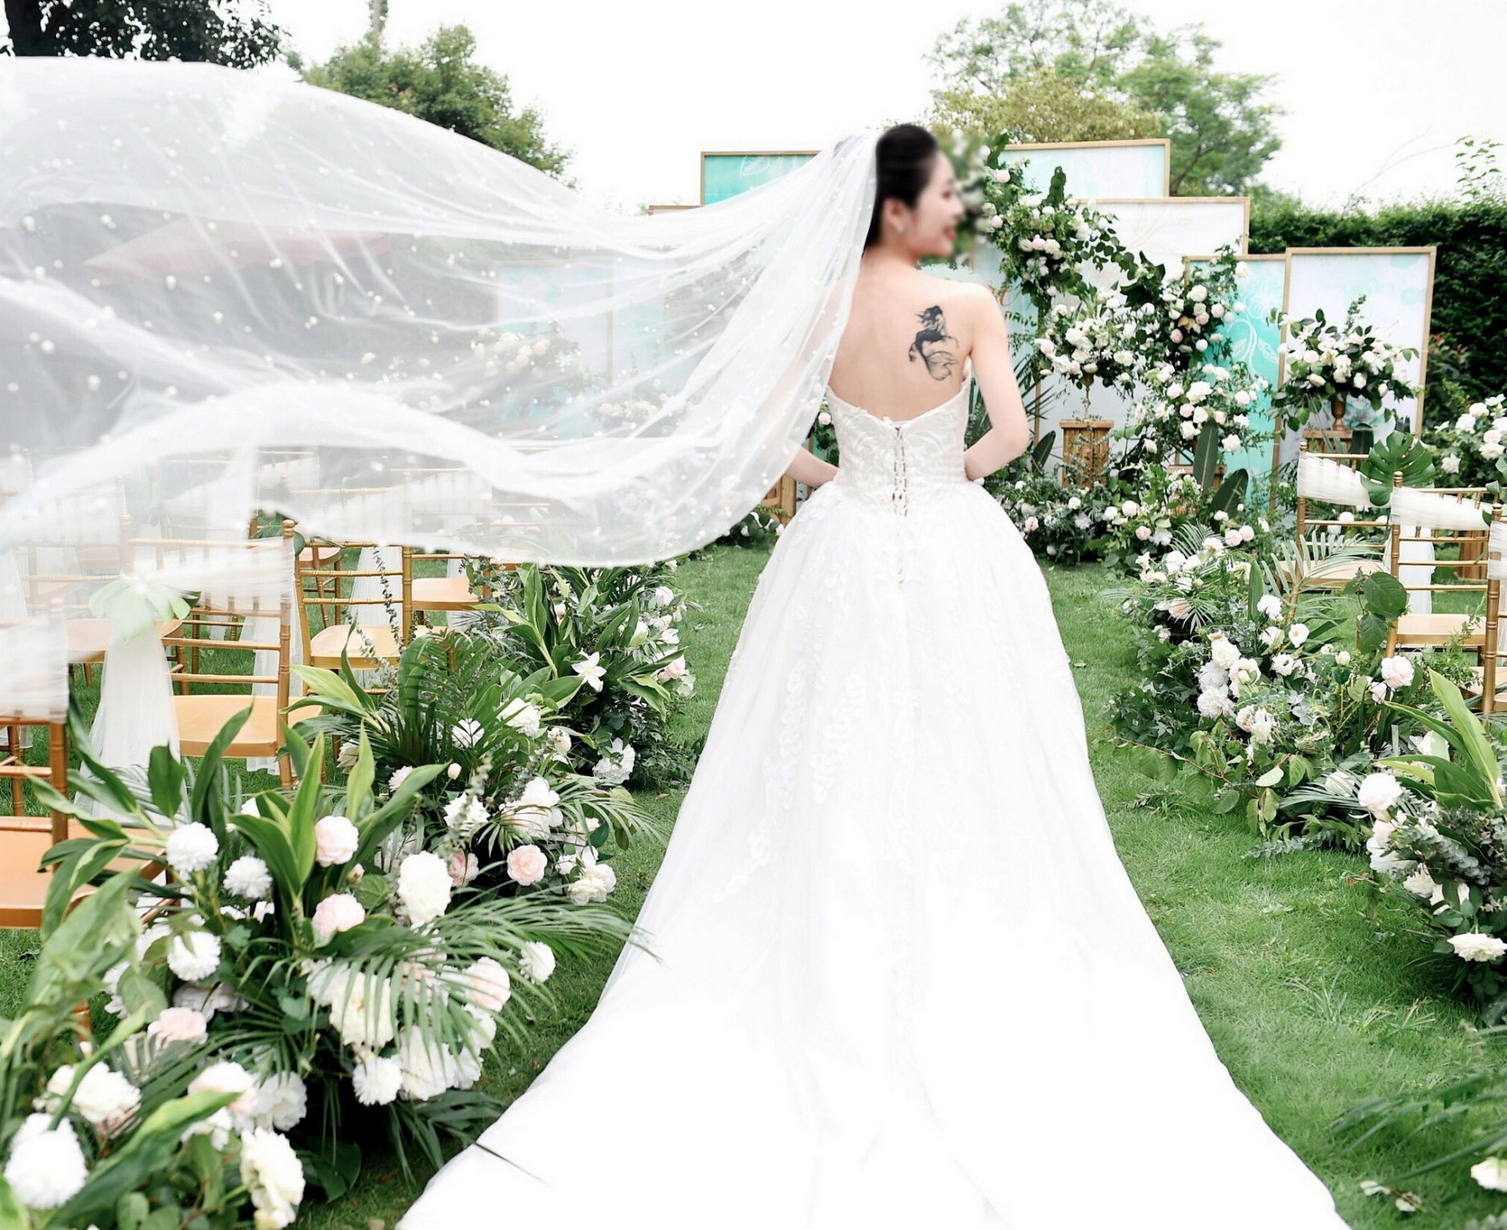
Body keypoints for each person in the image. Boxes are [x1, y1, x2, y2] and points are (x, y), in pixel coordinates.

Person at [397, 125, 1351, 1230]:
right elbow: (1013, 431)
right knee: (982, 735)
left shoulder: (817, 311)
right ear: (899, 208)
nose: (955, 208)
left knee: (818, 734)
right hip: (954, 540)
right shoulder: (970, 306)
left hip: (841, 540)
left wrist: (842, 475)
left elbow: (766, 440)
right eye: (943, 193)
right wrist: (947, 476)